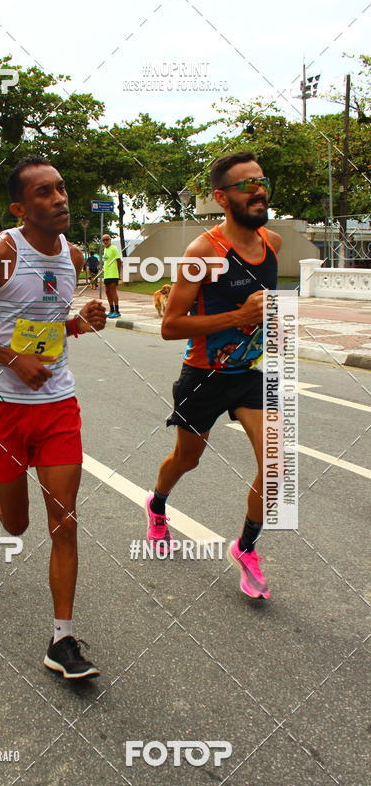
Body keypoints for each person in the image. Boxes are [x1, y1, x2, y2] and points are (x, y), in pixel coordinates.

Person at [0, 156, 106, 679]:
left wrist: (78, 324)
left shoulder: (73, 255)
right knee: (16, 525)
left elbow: (46, 328)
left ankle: (63, 639)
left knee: (65, 523)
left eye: (61, 188)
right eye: (44, 193)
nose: (59, 199)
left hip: (58, 407)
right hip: (2, 412)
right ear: (19, 208)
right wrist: (11, 359)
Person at [145, 151, 281, 600]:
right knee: (187, 459)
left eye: (261, 181)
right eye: (246, 184)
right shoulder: (202, 251)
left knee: (276, 464)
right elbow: (170, 327)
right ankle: (158, 504)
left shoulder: (273, 244)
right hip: (204, 375)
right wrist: (240, 314)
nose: (258, 189)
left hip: (250, 374)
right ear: (222, 198)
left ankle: (246, 548)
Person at [102, 233, 121, 318]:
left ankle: (117, 311)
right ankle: (111, 309)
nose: (105, 241)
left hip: (113, 274)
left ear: (110, 240)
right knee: (107, 292)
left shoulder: (114, 248)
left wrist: (118, 273)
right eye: (104, 240)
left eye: (107, 239)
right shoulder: (105, 250)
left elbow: (119, 261)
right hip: (106, 274)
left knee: (113, 291)